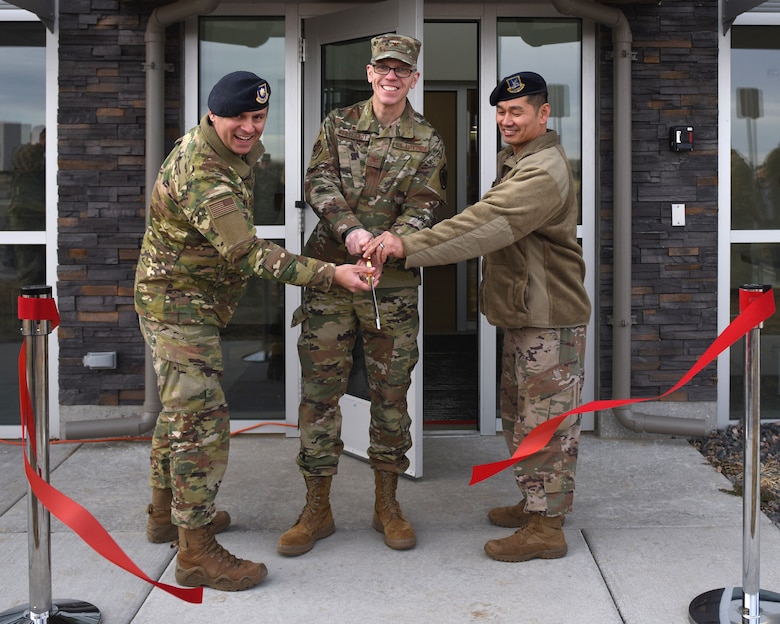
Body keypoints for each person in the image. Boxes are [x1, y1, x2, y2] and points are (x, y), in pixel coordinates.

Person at [134, 70, 374, 592]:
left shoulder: (227, 151)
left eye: (258, 117)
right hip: (177, 304)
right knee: (200, 418)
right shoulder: (203, 172)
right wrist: (331, 273)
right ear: (213, 114)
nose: (248, 128)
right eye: (238, 117)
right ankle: (195, 552)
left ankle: (164, 517)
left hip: (188, 300)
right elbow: (246, 252)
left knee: (178, 412)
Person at [364, 71, 591, 563]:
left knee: (545, 422)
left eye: (518, 112)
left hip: (550, 320)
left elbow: (486, 224)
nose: (506, 120)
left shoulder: (541, 170)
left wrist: (406, 245)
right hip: (528, 315)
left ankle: (547, 527)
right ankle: (535, 503)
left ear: (544, 114)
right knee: (520, 415)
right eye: (502, 112)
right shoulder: (519, 160)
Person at [277, 34, 447, 556]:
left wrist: (395, 240)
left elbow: (427, 202)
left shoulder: (428, 139)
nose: (391, 77)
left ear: (414, 78)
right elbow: (319, 182)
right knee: (320, 396)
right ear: (369, 73)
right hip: (331, 279)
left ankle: (387, 503)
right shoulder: (337, 124)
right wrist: (351, 231)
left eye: (402, 70)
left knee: (390, 397)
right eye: (383, 68)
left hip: (390, 287)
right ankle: (316, 508)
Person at [8, 125, 46, 285]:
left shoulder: (43, 160)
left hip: (40, 216)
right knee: (30, 269)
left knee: (42, 268)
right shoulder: (26, 154)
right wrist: (42, 146)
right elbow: (27, 163)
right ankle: (26, 308)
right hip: (24, 217)